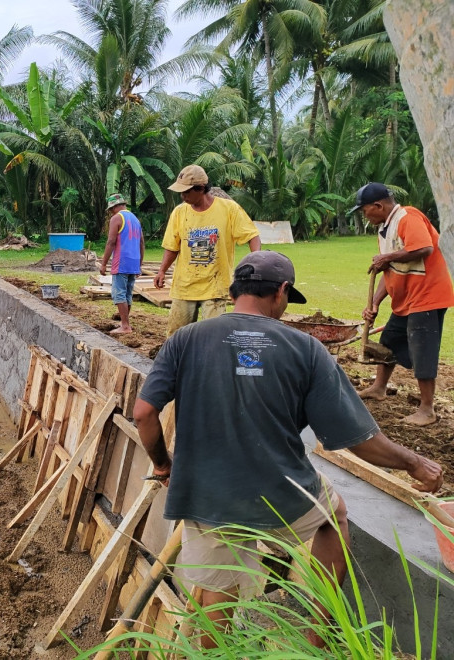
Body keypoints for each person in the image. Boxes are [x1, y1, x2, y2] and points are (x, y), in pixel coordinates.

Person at [133, 251, 443, 649]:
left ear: (234, 291)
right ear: (280, 291)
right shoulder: (306, 349)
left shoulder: (185, 339)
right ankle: (317, 636)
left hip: (208, 496)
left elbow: (144, 413)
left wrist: (163, 465)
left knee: (216, 597)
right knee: (334, 516)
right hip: (282, 495)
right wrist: (415, 464)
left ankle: (216, 653)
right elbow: (359, 440)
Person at [353, 182, 454, 426]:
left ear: (378, 206)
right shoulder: (384, 229)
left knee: (422, 349)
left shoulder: (408, 217)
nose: (365, 216)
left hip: (427, 297)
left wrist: (387, 257)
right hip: (407, 299)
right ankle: (379, 387)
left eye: (365, 210)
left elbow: (424, 248)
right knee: (389, 340)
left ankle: (427, 410)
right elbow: (390, 270)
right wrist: (375, 303)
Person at [155, 165, 261, 336]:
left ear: (201, 188)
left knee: (213, 335)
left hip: (216, 286)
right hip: (185, 285)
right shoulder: (179, 212)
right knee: (176, 335)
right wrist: (162, 271)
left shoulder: (229, 209)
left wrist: (256, 262)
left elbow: (252, 236)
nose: (182, 196)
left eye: (186, 192)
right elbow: (172, 247)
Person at [100, 193, 145, 335]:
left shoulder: (116, 218)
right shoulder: (135, 219)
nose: (111, 212)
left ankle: (125, 326)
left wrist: (104, 263)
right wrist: (139, 264)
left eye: (110, 210)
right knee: (127, 293)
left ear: (113, 207)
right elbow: (141, 243)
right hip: (133, 262)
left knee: (119, 293)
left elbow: (111, 242)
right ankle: (125, 323)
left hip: (121, 261)